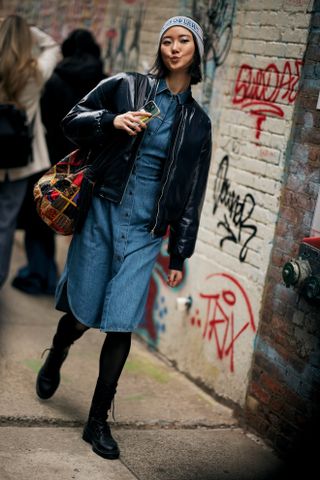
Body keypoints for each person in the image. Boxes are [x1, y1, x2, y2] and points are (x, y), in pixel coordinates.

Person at [36, 16, 212, 460]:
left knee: (120, 322)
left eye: (183, 41)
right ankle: (57, 353)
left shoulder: (198, 122)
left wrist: (179, 254)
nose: (174, 48)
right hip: (102, 214)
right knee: (82, 312)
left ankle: (97, 420)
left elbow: (192, 191)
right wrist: (112, 121)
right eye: (168, 40)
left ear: (197, 52)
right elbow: (71, 121)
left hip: (146, 231)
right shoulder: (126, 85)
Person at [12, 28, 106, 295]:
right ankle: (67, 285)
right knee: (83, 232)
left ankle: (40, 275)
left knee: (38, 222)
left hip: (51, 164)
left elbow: (43, 123)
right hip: (87, 167)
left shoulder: (54, 80)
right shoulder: (104, 82)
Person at [0, 15, 60, 289]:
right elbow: (52, 46)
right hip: (18, 162)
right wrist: (28, 31)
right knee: (5, 223)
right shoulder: (35, 72)